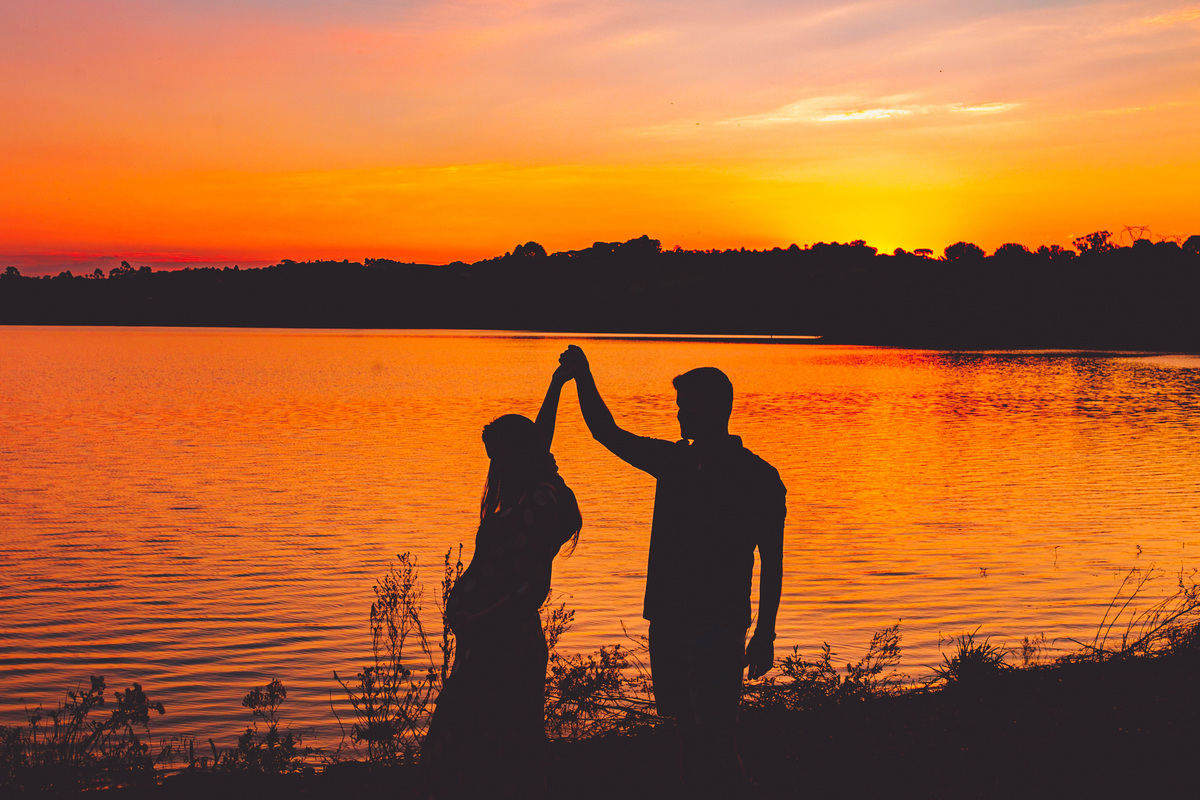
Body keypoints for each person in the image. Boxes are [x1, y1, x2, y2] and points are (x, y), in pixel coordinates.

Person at [558, 345, 786, 797]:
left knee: (717, 737)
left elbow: (772, 561)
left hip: (718, 625)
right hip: (669, 621)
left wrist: (765, 633)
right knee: (685, 730)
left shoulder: (758, 476)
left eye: (685, 406)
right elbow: (607, 432)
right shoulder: (675, 461)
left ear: (711, 409)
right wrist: (583, 376)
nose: (679, 416)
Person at [421, 365, 582, 800]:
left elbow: (531, 589)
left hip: (505, 641)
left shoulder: (541, 498)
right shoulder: (516, 495)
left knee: (501, 741)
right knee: (469, 737)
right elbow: (540, 440)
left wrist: (480, 619)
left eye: (499, 454)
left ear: (516, 454)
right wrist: (553, 385)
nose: (494, 464)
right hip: (486, 639)